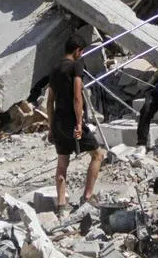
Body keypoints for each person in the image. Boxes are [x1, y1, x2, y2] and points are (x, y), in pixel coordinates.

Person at [46, 32, 106, 218]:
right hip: (72, 121)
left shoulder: (55, 69)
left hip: (58, 121)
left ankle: (61, 206)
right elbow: (77, 96)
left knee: (62, 163)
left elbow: (49, 101)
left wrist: (51, 127)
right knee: (97, 155)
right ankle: (87, 197)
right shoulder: (76, 66)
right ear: (78, 51)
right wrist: (79, 123)